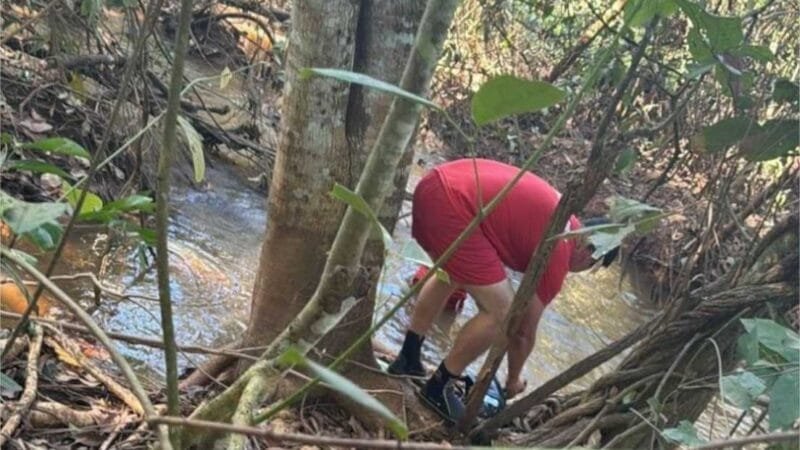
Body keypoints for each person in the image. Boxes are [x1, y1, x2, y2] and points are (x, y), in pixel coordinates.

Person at [388, 158, 619, 423]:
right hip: (455, 204)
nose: (581, 270)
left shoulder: (564, 220)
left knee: (451, 275)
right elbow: (522, 331)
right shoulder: (561, 250)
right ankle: (438, 386)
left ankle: (408, 357)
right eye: (591, 266)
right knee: (505, 313)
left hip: (435, 183)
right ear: (590, 251)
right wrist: (512, 380)